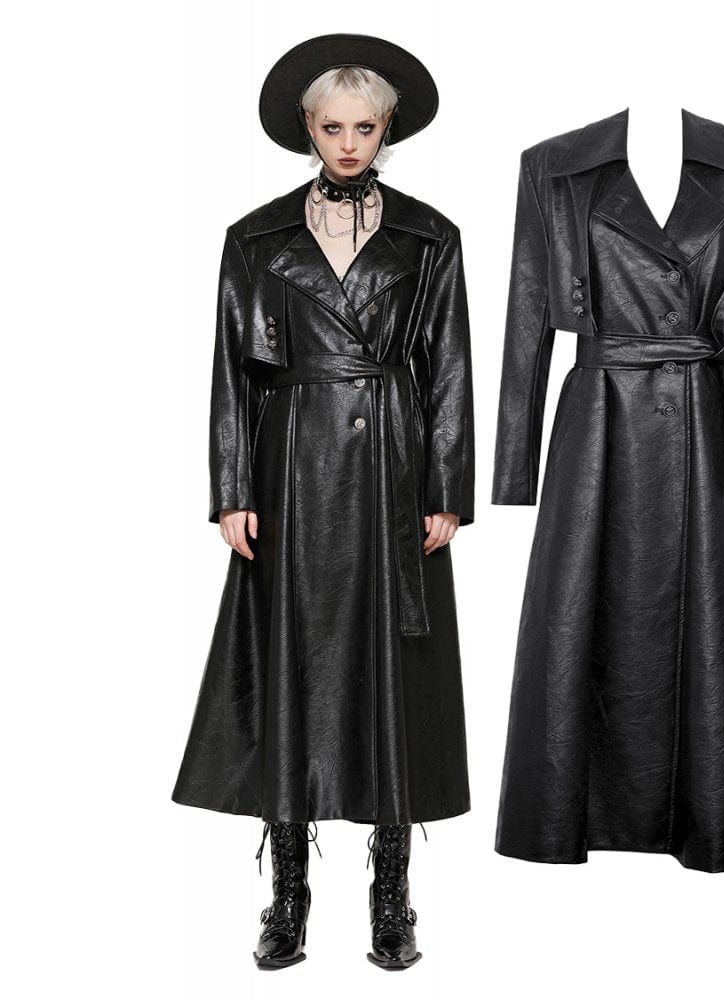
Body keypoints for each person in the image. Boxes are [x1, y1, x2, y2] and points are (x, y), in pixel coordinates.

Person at [171, 34, 475, 972]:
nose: (348, 144)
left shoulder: (432, 235)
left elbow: (450, 367)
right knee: (291, 663)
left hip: (390, 463)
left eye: (365, 127)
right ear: (308, 127)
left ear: (388, 129)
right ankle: (288, 894)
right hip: (292, 466)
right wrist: (232, 488)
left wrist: (447, 489)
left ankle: (392, 894)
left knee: (395, 668)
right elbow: (231, 371)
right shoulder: (255, 237)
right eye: (333, 127)